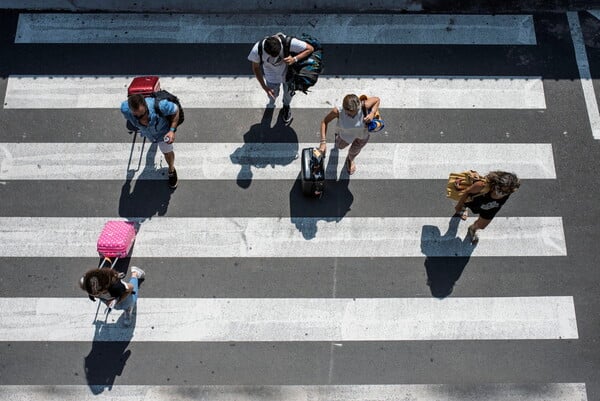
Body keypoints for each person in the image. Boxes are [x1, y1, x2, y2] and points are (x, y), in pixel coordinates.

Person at [248, 34, 314, 124]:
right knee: (272, 95)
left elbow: (310, 49)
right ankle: (272, 101)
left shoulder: (288, 42)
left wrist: (294, 59)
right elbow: (255, 68)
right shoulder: (257, 49)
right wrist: (264, 87)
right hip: (271, 77)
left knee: (288, 96)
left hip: (288, 75)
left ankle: (286, 107)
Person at [121, 94, 180, 189]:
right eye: (136, 116)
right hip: (148, 133)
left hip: (162, 133)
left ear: (146, 105)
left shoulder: (161, 105)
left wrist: (172, 131)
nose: (142, 118)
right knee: (155, 145)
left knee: (167, 152)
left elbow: (176, 110)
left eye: (143, 113)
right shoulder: (125, 109)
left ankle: (171, 170)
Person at [318, 94, 381, 175]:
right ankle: (337, 137)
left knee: (354, 151)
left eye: (356, 112)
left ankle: (350, 159)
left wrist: (372, 113)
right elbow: (324, 122)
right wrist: (323, 142)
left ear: (359, 105)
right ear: (344, 109)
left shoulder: (364, 105)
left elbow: (377, 100)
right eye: (349, 114)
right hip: (344, 136)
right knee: (339, 146)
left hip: (362, 136)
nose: (352, 115)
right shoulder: (338, 111)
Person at [453, 171, 521, 243]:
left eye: (507, 192)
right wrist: (459, 206)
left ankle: (472, 229)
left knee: (482, 226)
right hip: (474, 203)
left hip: (492, 208)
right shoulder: (482, 185)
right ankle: (464, 208)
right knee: (465, 205)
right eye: (500, 190)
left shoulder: (510, 189)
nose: (502, 194)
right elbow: (467, 192)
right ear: (496, 184)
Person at [79, 266, 145, 325]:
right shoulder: (92, 286)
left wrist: (117, 300)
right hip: (111, 298)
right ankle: (126, 309)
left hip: (122, 295)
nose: (95, 295)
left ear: (103, 288)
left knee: (132, 300)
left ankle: (135, 273)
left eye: (96, 294)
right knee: (119, 306)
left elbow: (131, 288)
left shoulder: (116, 287)